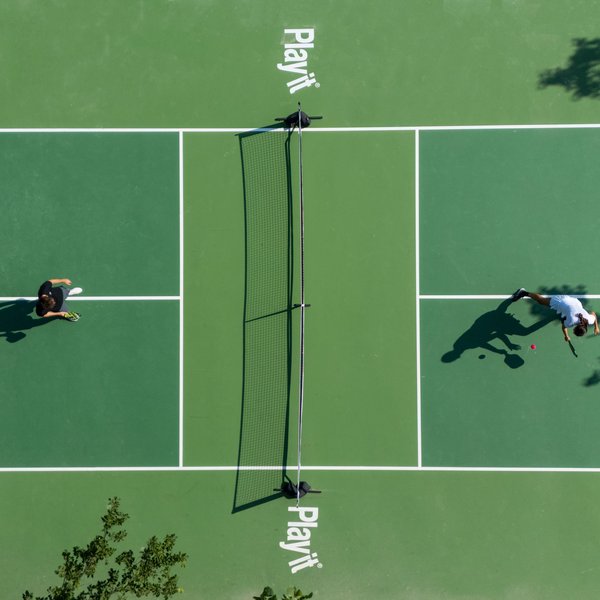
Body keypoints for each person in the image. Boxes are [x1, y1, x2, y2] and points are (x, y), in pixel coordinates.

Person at [511, 288, 599, 342]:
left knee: (567, 314)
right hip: (561, 301)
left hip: (575, 302)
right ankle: (524, 292)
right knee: (541, 301)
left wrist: (596, 327)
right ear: (575, 327)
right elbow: (564, 327)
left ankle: (565, 314)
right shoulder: (571, 321)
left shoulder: (589, 320)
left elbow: (594, 315)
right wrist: (566, 336)